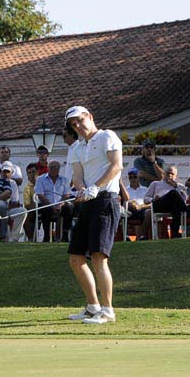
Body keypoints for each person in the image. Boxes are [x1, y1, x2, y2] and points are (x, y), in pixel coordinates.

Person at [65, 105, 123, 325]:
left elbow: (116, 166)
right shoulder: (76, 147)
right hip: (88, 202)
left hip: (106, 201)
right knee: (76, 258)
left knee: (98, 257)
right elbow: (77, 177)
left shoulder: (108, 136)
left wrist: (96, 186)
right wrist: (81, 189)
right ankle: (92, 307)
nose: (78, 126)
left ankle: (108, 311)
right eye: (73, 124)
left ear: (90, 116)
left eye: (80, 120)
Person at [144, 165, 190, 239]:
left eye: (172, 174)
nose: (170, 175)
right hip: (159, 205)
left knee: (176, 206)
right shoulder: (155, 184)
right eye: (168, 173)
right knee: (173, 193)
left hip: (172, 207)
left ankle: (175, 233)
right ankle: (188, 211)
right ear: (164, 174)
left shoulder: (180, 186)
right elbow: (145, 199)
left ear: (176, 176)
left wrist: (176, 187)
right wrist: (153, 199)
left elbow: (184, 200)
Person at [34, 160, 73, 242]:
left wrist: (60, 204)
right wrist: (51, 206)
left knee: (69, 208)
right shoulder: (40, 179)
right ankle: (47, 235)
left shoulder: (64, 180)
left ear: (59, 169)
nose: (52, 169)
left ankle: (65, 235)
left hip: (60, 204)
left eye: (55, 167)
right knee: (46, 209)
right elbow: (40, 195)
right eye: (51, 167)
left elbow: (66, 195)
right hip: (46, 203)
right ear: (48, 168)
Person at [1, 161, 27, 242]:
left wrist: (7, 212)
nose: (5, 174)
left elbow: (15, 202)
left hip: (8, 210)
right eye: (4, 171)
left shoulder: (13, 183)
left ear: (11, 172)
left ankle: (14, 238)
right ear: (0, 172)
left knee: (22, 211)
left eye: (8, 171)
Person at [23, 163, 39, 240]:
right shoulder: (27, 188)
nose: (32, 174)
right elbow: (27, 205)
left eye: (33, 172)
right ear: (27, 175)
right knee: (25, 216)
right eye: (29, 173)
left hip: (47, 208)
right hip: (34, 211)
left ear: (38, 172)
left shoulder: (44, 183)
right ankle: (31, 239)